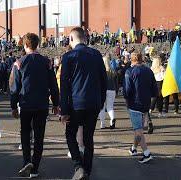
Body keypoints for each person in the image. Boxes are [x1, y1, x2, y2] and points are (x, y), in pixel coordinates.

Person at [10, 33, 59, 178]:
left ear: (25, 45)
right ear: (37, 44)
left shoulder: (19, 63)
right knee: (39, 137)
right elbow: (53, 85)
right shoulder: (47, 62)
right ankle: (35, 167)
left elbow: (15, 87)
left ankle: (26, 161)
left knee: (25, 135)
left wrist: (13, 106)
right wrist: (56, 103)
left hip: (26, 104)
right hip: (42, 105)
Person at [60, 27, 107, 179]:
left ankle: (78, 166)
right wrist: (101, 102)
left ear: (72, 39)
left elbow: (65, 85)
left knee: (70, 134)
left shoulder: (68, 56)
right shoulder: (96, 54)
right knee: (88, 138)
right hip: (93, 103)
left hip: (75, 104)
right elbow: (103, 80)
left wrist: (64, 110)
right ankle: (86, 170)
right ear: (85, 38)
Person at [123, 52, 157, 162]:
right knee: (139, 129)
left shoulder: (129, 71)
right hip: (145, 103)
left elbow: (127, 91)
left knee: (138, 130)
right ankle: (133, 148)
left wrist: (126, 100)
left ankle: (146, 153)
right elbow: (154, 90)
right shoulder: (149, 71)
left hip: (134, 104)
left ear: (132, 60)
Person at [99, 54, 118, 129]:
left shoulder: (101, 71)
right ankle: (112, 119)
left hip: (103, 90)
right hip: (112, 89)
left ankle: (102, 124)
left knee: (102, 107)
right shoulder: (112, 71)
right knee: (110, 107)